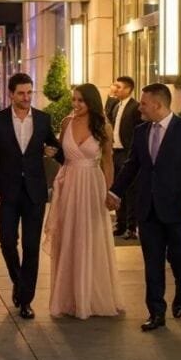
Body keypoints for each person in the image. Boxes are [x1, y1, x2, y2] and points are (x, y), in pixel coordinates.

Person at [107, 84, 181, 331]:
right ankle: (156, 312)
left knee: (180, 259)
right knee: (152, 263)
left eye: (143, 103)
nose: (139, 107)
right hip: (148, 209)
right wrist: (114, 191)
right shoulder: (141, 131)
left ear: (158, 105)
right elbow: (132, 166)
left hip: (178, 210)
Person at [0, 73, 63, 319]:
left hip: (35, 193)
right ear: (11, 94)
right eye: (21, 93)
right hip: (6, 191)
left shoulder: (44, 120)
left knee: (31, 247)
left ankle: (26, 300)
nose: (26, 98)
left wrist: (53, 152)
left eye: (29, 92)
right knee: (6, 241)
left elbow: (59, 152)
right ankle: (19, 280)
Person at [44, 83, 125, 319]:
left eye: (81, 100)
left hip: (92, 185)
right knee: (69, 236)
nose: (76, 105)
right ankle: (69, 297)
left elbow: (108, 162)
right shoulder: (66, 123)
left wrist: (110, 192)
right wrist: (52, 154)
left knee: (91, 237)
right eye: (74, 100)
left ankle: (91, 296)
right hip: (68, 184)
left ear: (91, 102)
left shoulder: (104, 127)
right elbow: (62, 156)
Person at [110, 76, 141, 239]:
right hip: (116, 153)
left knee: (131, 191)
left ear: (128, 89)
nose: (116, 89)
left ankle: (132, 227)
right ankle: (120, 224)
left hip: (128, 154)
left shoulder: (135, 107)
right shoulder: (116, 106)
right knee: (117, 190)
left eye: (119, 87)